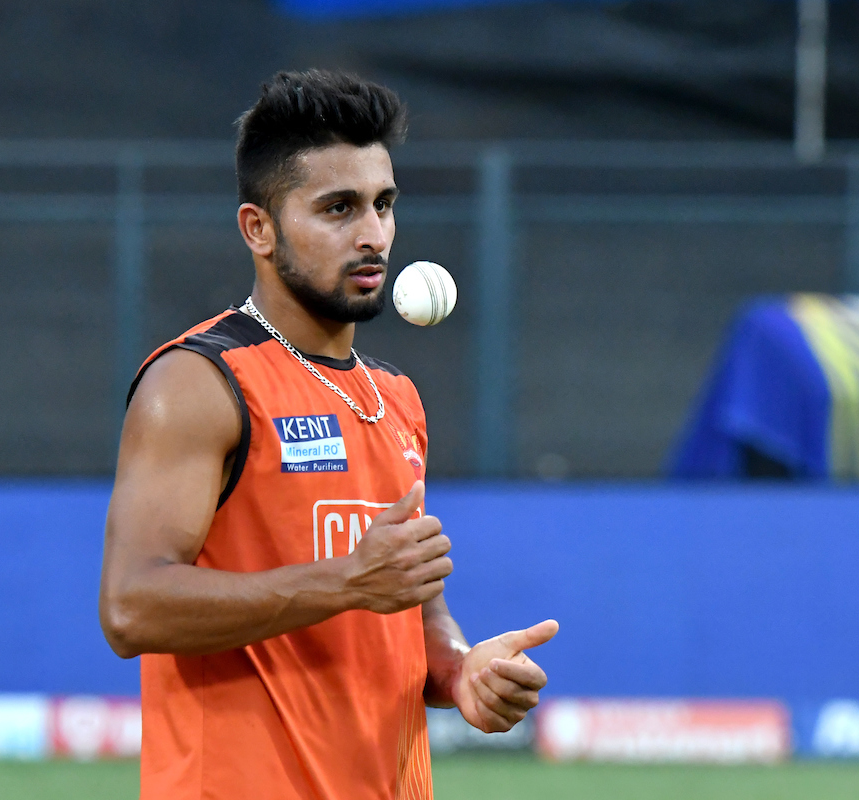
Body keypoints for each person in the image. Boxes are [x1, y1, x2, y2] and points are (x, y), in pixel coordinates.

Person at [99, 69, 558, 799]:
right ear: (259, 228)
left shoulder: (395, 398)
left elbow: (410, 609)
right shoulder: (198, 383)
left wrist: (461, 670)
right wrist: (346, 582)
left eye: (384, 204)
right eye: (338, 208)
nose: (374, 235)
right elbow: (131, 606)